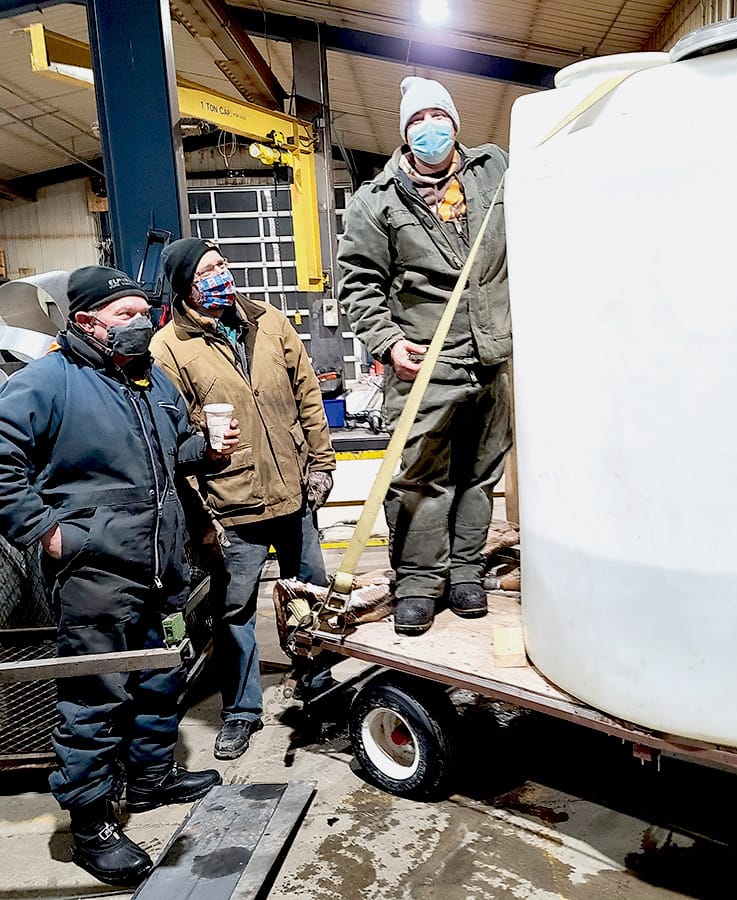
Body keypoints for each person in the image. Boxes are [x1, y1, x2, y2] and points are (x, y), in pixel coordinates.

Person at [0, 266, 236, 887]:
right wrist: (47, 532)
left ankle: (152, 776)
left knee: (161, 674)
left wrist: (206, 448)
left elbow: (177, 445)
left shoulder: (149, 378)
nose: (140, 323)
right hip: (95, 572)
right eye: (125, 313)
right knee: (95, 695)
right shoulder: (46, 382)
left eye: (144, 312)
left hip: (163, 564)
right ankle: (91, 823)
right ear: (86, 321)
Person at [337, 76, 512, 636]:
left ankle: (465, 572)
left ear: (456, 124)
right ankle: (416, 583)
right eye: (416, 122)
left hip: (494, 354)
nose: (429, 130)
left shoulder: (496, 171)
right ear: (404, 132)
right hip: (425, 360)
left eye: (438, 118)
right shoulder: (377, 200)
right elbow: (358, 281)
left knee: (480, 473)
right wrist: (387, 342)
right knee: (420, 478)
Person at [150, 238, 336, 760]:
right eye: (207, 271)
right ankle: (241, 711)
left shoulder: (270, 322)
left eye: (223, 265)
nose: (222, 276)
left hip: (294, 495)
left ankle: (317, 683)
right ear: (186, 285)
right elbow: (175, 442)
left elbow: (307, 397)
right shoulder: (169, 348)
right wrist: (202, 519)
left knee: (312, 600)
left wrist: (321, 463)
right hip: (233, 504)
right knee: (235, 615)